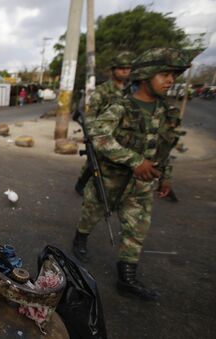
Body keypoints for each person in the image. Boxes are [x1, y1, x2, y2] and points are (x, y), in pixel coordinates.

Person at [72, 48, 190, 300]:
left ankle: (127, 277)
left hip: (141, 186)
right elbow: (98, 133)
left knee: (137, 229)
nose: (170, 80)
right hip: (110, 178)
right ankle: (80, 239)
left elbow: (165, 148)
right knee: (91, 213)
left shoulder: (167, 113)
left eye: (174, 75)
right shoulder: (120, 105)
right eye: (165, 74)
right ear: (146, 75)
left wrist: (166, 175)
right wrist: (134, 160)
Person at [74, 52, 135, 196]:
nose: (125, 71)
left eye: (128, 68)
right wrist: (90, 135)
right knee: (95, 163)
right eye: (121, 68)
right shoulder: (102, 91)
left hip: (123, 134)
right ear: (113, 70)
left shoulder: (131, 90)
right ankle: (82, 184)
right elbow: (90, 115)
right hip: (103, 134)